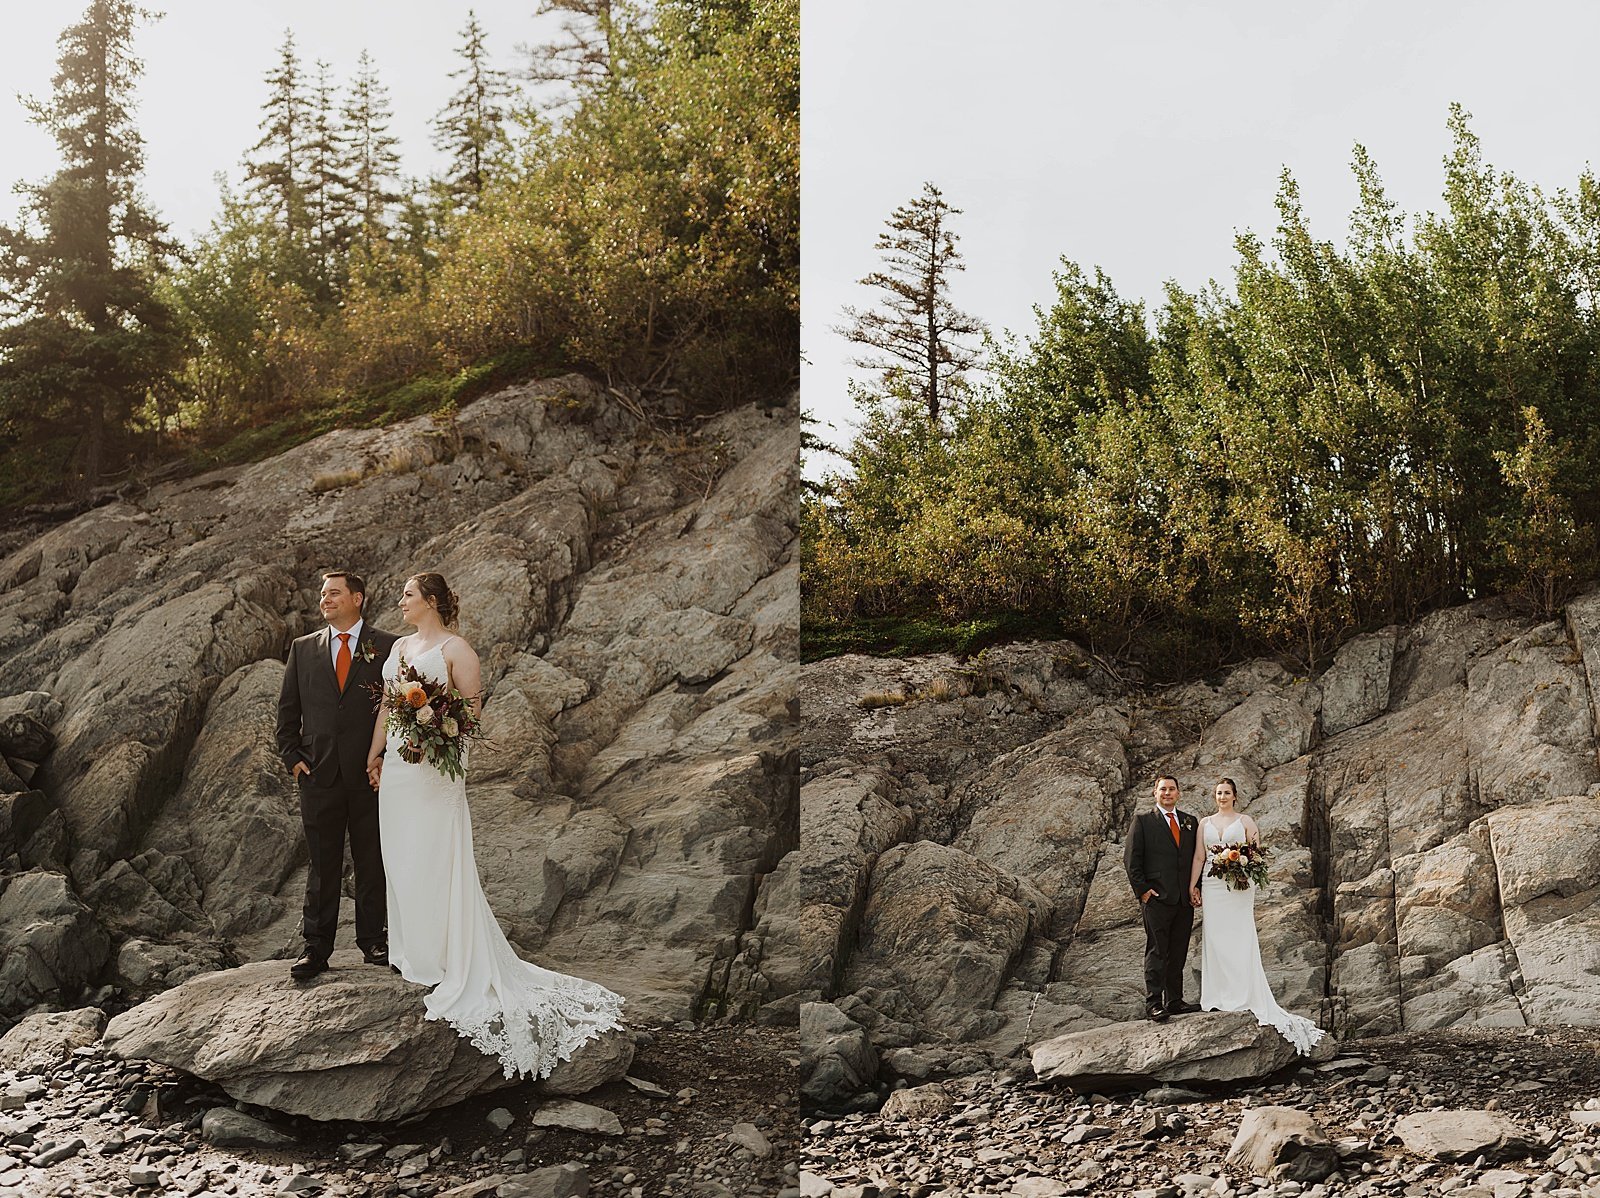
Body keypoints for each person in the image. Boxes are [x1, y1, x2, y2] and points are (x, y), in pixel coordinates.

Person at [367, 572, 624, 1078]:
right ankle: (412, 953)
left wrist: (436, 734)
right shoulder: (399, 648)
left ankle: (445, 958)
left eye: (409, 595)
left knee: (434, 853)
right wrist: (375, 753)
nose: (401, 601)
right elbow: (385, 706)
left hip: (436, 767)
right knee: (399, 854)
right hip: (399, 763)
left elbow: (471, 714)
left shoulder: (457, 649)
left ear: (432, 602)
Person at [274, 571, 400, 981]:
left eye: (333, 593)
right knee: (322, 864)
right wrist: (294, 758)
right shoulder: (303, 648)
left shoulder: (387, 647)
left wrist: (385, 758)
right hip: (319, 775)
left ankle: (374, 941)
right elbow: (288, 711)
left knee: (372, 860)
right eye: (322, 594)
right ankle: (316, 947)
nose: (325, 600)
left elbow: (397, 710)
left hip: (371, 774)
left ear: (357, 598)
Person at [1190, 777, 1324, 1054]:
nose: (1222, 796)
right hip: (1213, 885)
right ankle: (1217, 995)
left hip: (1239, 886)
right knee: (1215, 937)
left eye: (1227, 792)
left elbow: (1257, 857)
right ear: (1214, 796)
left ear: (1235, 796)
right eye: (1218, 793)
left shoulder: (1246, 821)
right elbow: (1199, 858)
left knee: (1239, 936)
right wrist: (1193, 885)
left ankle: (1244, 994)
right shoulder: (1204, 824)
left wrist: (1244, 868)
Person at [1123, 775, 1201, 1022]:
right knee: (1157, 951)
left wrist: (1195, 887)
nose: (1167, 793)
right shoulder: (1143, 821)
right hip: (1156, 898)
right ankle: (1154, 1002)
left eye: (1172, 789)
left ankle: (1175, 1000)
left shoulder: (1190, 822)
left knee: (1178, 951)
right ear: (1155, 793)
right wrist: (1143, 891)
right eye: (1163, 789)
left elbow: (1197, 859)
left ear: (1178, 793)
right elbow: (1131, 859)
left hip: (1183, 899)